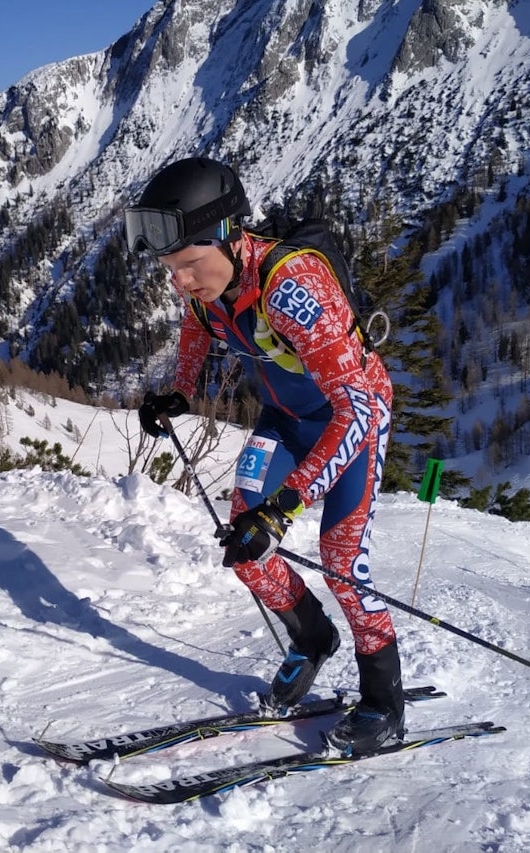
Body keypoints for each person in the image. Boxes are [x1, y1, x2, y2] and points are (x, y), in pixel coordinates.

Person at [125, 156, 403, 754]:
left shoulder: (295, 288)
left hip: (352, 421)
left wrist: (283, 507)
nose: (180, 283)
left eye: (189, 266)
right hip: (286, 421)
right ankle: (312, 639)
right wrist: (182, 390)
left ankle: (384, 701)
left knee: (342, 561)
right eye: (171, 270)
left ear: (227, 236)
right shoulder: (211, 287)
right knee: (244, 544)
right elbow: (199, 328)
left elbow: (355, 410)